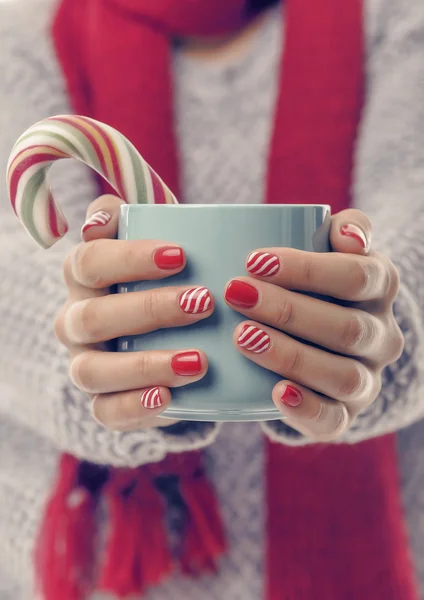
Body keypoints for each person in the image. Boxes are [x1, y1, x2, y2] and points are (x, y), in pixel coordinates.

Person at [0, 0, 423, 598]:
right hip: (89, 573)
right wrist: (90, 336)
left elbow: (417, 224)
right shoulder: (23, 42)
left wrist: (384, 331)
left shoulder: (396, 20)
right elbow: (13, 263)